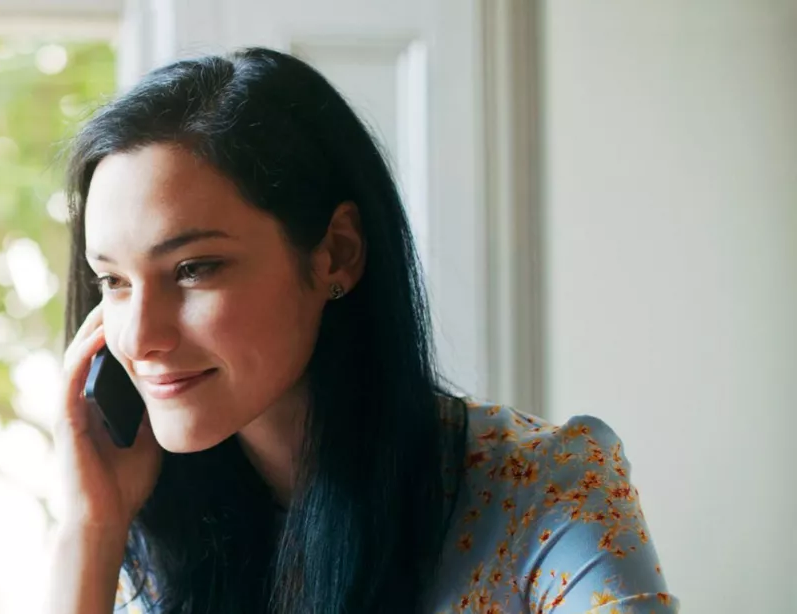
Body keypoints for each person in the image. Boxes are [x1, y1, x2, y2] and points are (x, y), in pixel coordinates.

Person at [46, 48, 677, 614]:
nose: (138, 337)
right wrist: (89, 530)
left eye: (192, 269)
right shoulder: (143, 535)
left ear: (337, 254)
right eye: (114, 281)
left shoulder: (543, 491)